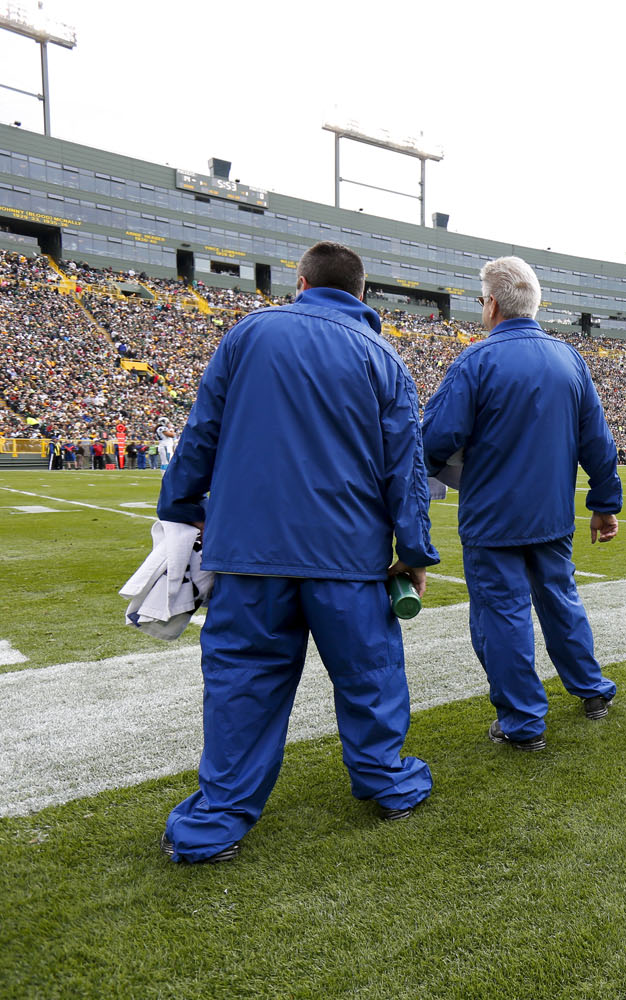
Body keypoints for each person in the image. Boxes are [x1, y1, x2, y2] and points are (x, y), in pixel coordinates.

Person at [156, 241, 438, 864]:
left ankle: (216, 823)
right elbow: (407, 468)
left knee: (243, 683)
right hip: (348, 553)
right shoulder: (383, 356)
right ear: (361, 294)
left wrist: (179, 503)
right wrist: (414, 549)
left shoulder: (249, 334)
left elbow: (203, 429)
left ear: (302, 282)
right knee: (370, 677)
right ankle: (387, 783)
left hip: (250, 551)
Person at [422, 256, 621, 748]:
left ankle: (523, 721)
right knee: (561, 601)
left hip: (493, 518)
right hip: (552, 513)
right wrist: (604, 502)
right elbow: (598, 440)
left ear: (491, 304)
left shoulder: (476, 360)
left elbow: (435, 439)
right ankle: (592, 690)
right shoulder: (569, 359)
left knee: (502, 615)